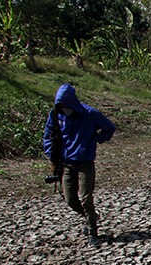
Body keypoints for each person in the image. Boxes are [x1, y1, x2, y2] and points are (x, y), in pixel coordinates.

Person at [43, 83, 116, 247]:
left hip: (85, 163)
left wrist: (96, 140)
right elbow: (48, 136)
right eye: (60, 106)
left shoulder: (90, 114)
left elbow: (109, 128)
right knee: (70, 199)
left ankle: (92, 233)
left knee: (86, 198)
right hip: (67, 163)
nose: (63, 108)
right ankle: (91, 216)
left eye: (65, 105)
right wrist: (52, 156)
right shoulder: (56, 115)